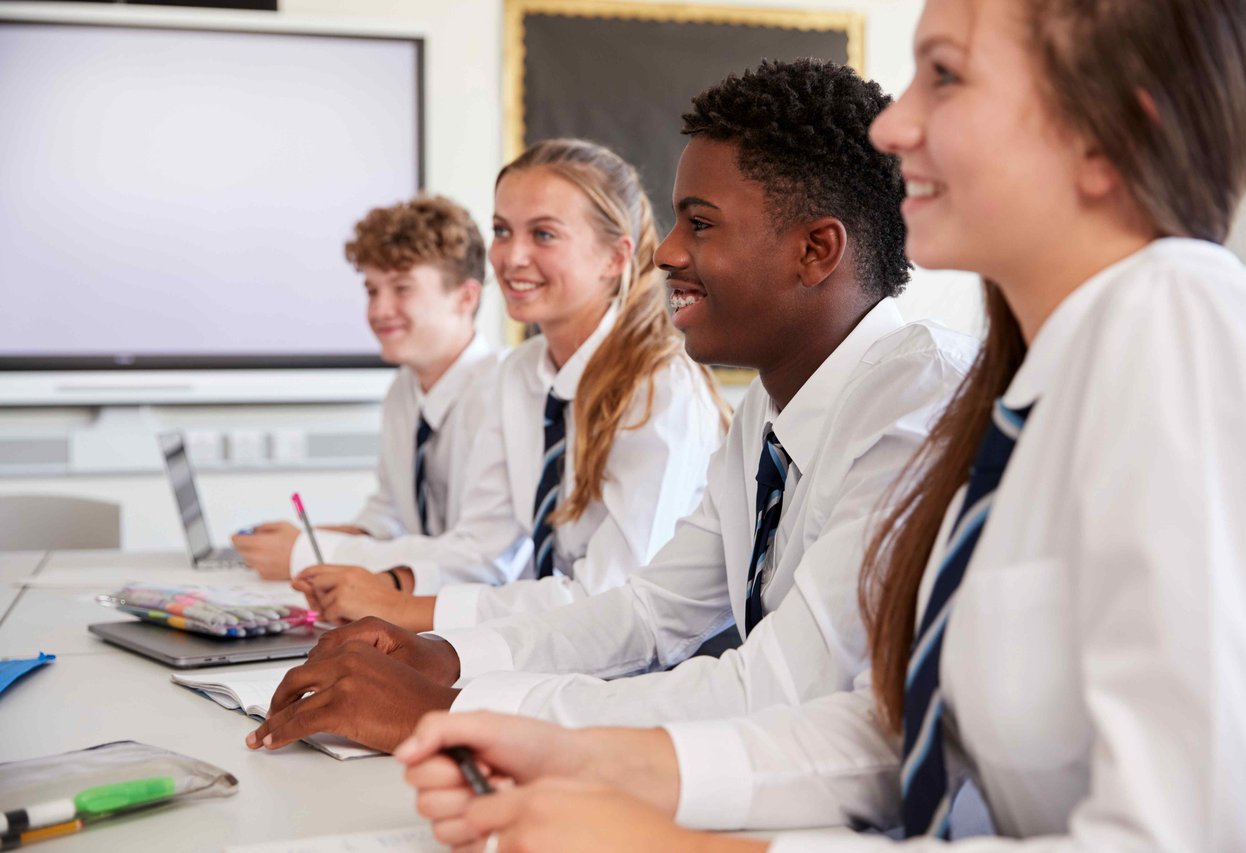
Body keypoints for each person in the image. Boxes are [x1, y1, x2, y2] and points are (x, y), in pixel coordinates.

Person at [396, 0, 1246, 849]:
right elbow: (895, 726)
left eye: (945, 75)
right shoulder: (1021, 389)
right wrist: (578, 752)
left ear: (1108, 136)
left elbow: (1189, 837)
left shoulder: (1181, 322)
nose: (896, 128)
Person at [245, 59, 977, 753]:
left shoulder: (915, 406)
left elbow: (781, 687)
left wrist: (454, 711)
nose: (667, 254)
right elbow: (648, 609)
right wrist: (443, 656)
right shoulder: (771, 408)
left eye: (702, 223)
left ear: (816, 250)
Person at [281, 138, 728, 633]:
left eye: (543, 234)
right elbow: (484, 551)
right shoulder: (519, 374)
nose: (512, 256)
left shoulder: (659, 390)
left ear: (614, 258)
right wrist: (380, 584)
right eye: (501, 230)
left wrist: (402, 609)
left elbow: (611, 599)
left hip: (647, 669)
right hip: (550, 646)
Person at [231, 194, 506, 582]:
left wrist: (314, 553)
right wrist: (308, 541)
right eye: (373, 290)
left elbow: (477, 559)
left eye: (402, 288)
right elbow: (390, 515)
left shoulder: (502, 394)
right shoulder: (403, 391)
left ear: (466, 296)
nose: (378, 311)